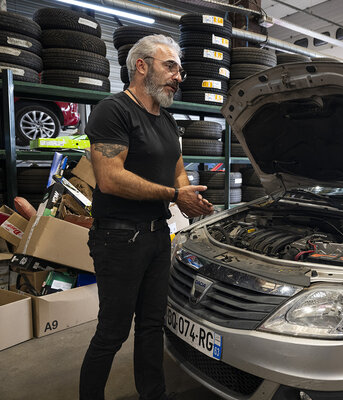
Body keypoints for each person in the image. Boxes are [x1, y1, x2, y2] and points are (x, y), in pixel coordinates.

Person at [79, 34, 214, 400]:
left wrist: (190, 199)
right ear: (142, 66)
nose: (178, 76)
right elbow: (109, 178)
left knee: (153, 326)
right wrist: (174, 195)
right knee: (112, 332)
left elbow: (178, 170)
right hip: (119, 239)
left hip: (157, 236)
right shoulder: (114, 110)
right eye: (170, 66)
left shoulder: (168, 121)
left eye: (180, 69)